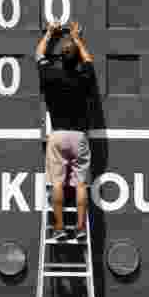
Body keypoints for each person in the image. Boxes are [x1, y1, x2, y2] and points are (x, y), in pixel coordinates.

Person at [36, 21, 95, 242]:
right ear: (76, 59)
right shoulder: (83, 78)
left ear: (61, 58)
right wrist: (77, 39)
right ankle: (80, 228)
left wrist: (50, 33)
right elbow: (89, 60)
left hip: (58, 135)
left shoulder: (50, 77)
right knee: (80, 184)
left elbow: (39, 53)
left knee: (57, 184)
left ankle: (59, 227)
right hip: (79, 136)